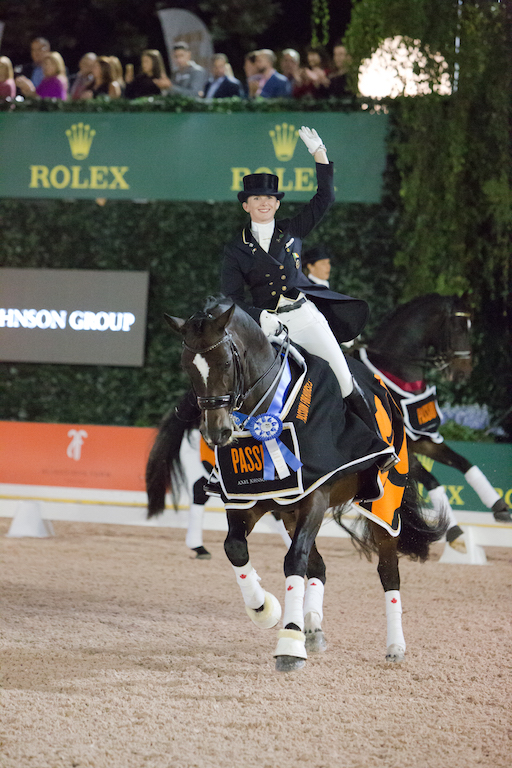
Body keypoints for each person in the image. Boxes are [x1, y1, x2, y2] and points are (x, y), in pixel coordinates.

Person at [221, 126, 396, 466]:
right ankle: (234, 460)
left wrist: (320, 154)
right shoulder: (235, 250)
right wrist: (259, 317)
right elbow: (230, 297)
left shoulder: (293, 229)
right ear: (246, 205)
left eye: (270, 199)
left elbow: (325, 198)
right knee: (236, 382)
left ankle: (376, 445)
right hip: (266, 328)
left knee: (343, 377)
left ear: (276, 203)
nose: (265, 203)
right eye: (257, 199)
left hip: (302, 317)